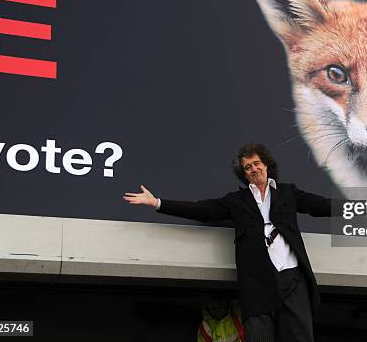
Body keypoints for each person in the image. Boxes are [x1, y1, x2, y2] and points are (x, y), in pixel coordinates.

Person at [123, 143, 331, 342]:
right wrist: (157, 203)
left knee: (300, 337)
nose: (253, 169)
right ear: (244, 173)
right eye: (247, 167)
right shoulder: (236, 201)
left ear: (266, 164)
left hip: (292, 277)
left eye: (257, 163)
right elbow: (201, 210)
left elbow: (320, 206)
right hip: (257, 283)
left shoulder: (288, 192)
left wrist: (360, 207)